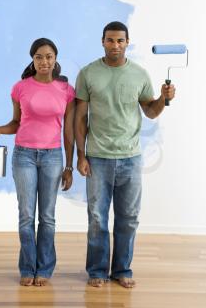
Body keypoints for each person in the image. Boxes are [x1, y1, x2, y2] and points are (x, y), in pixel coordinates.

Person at [75, 21, 175, 288]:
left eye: (120, 41)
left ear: (127, 42)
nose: (115, 45)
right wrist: (80, 156)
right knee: (97, 217)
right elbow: (80, 118)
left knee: (128, 218)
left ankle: (122, 270)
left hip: (130, 157)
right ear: (102, 41)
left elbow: (150, 112)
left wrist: (164, 99)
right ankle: (97, 271)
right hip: (97, 157)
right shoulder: (88, 73)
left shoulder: (139, 74)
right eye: (110, 40)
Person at [0, 38, 75, 286]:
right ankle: (27, 267)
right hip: (23, 155)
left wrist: (69, 166)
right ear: (32, 60)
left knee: (47, 216)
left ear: (55, 58)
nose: (44, 61)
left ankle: (44, 269)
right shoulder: (20, 88)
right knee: (26, 215)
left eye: (48, 56)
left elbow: (68, 132)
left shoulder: (66, 91)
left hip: (53, 157)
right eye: (38, 57)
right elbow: (16, 123)